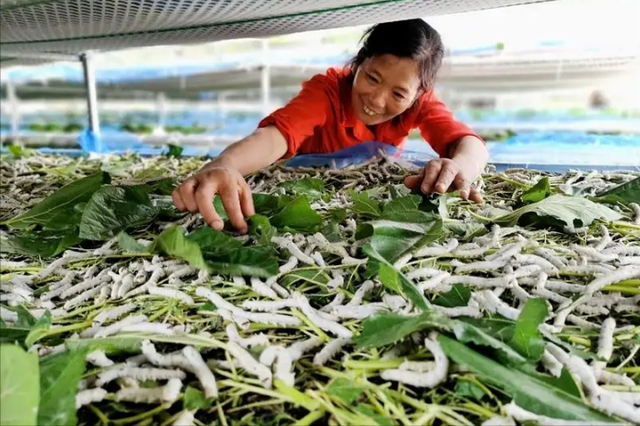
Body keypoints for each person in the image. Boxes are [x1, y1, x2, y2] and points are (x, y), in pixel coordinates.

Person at [172, 19, 489, 235]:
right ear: (358, 63)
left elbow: (469, 144)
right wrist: (226, 165)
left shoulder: (421, 104)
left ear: (419, 94)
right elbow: (276, 137)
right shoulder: (327, 92)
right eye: (371, 77)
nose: (376, 101)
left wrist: (459, 168)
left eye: (398, 94)